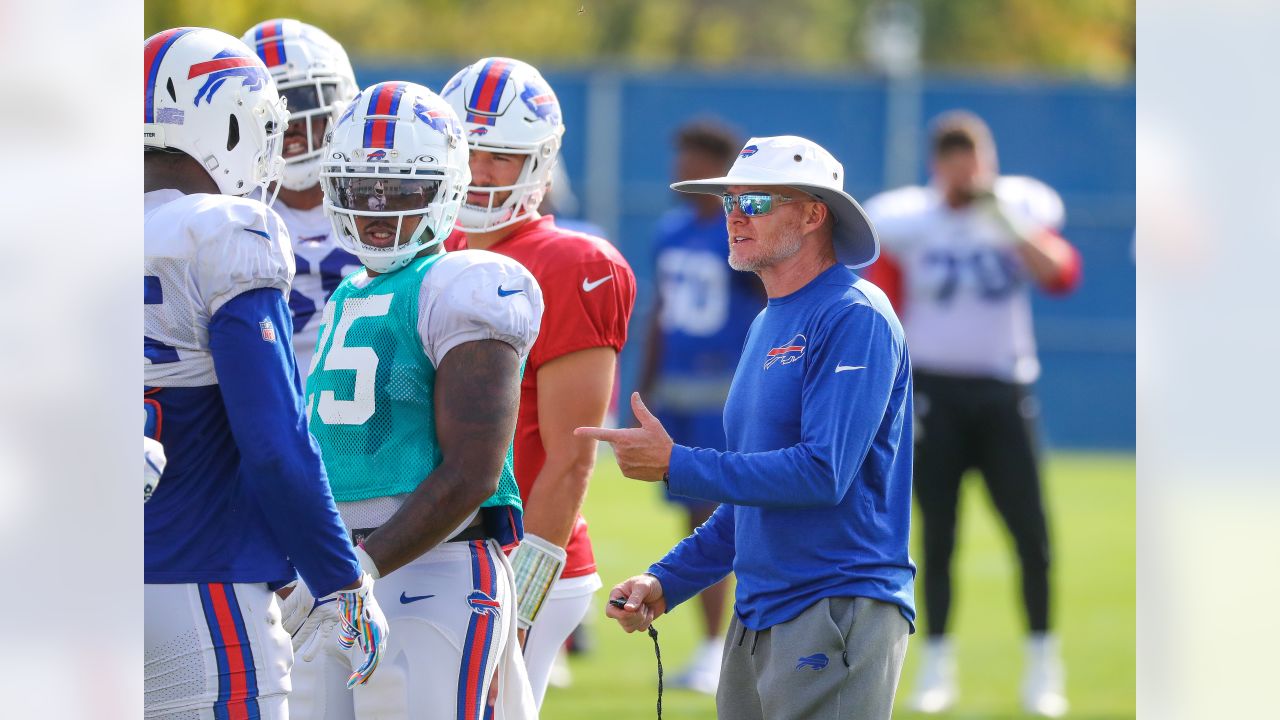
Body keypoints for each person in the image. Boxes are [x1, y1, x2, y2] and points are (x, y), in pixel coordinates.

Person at [580, 135, 916, 720]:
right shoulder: (768, 321)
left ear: (814, 214)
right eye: (730, 199)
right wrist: (667, 581)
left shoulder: (854, 315)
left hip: (834, 606)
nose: (734, 215)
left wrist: (676, 463)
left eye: (756, 201)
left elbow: (822, 473)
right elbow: (750, 499)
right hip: (759, 612)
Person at [143, 27, 386, 719]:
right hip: (198, 581)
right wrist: (341, 583)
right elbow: (276, 446)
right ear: (224, 121)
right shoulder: (223, 232)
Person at [293, 80, 540, 720]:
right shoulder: (348, 291)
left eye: (403, 190)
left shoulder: (468, 281)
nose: (379, 209)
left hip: (434, 569)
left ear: (446, 187)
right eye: (360, 189)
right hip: (339, 572)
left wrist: (360, 569)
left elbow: (473, 470)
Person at [862, 110, 1081, 718]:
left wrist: (1002, 218)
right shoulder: (910, 219)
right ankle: (937, 666)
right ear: (938, 167)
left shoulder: (1017, 210)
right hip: (934, 391)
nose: (967, 172)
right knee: (937, 534)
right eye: (956, 161)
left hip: (1004, 388)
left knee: (1031, 534)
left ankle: (1043, 665)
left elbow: (1061, 273)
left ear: (988, 161)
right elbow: (879, 292)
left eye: (976, 159)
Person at [440, 58, 637, 708]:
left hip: (514, 553)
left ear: (539, 162)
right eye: (468, 149)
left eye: (499, 152)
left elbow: (571, 455)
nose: (478, 167)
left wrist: (518, 600)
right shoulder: (432, 253)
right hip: (438, 545)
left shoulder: (573, 264)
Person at [635, 118, 764, 694]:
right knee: (695, 517)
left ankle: (727, 645)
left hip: (724, 395)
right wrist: (645, 384)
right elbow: (662, 311)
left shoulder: (739, 232)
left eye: (690, 158)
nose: (679, 167)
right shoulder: (673, 230)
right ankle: (715, 644)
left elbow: (769, 303)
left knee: (721, 517)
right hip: (680, 394)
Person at [240, 19, 363, 381]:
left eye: (303, 99)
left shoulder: (387, 199)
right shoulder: (233, 213)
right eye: (267, 110)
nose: (288, 121)